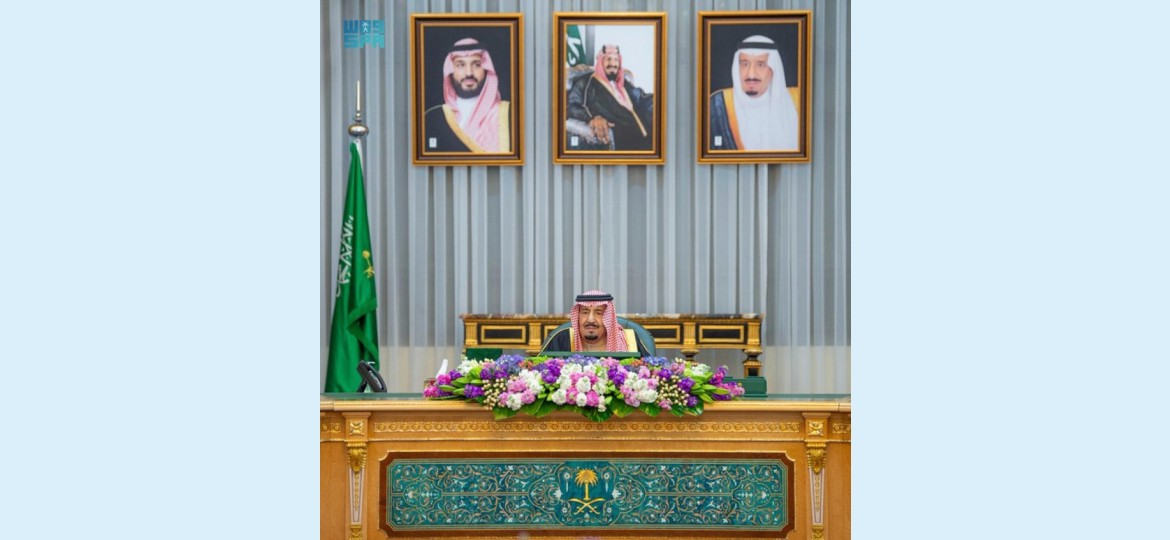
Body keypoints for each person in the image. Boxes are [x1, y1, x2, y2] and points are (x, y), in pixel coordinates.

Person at [708, 35, 799, 151]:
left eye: (760, 65)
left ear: (773, 69)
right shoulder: (717, 105)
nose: (751, 74)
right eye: (744, 64)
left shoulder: (797, 103)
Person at [424, 37, 511, 153]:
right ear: (451, 70)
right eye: (460, 65)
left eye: (476, 65)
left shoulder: (510, 114)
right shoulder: (432, 118)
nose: (469, 73)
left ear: (486, 69)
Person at [566, 44, 654, 151]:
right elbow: (572, 105)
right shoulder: (586, 82)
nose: (613, 64)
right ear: (600, 61)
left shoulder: (623, 84)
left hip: (644, 135)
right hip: (621, 139)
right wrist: (592, 118)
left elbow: (641, 98)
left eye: (616, 60)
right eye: (608, 59)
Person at [539, 290, 652, 356]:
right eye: (585, 312)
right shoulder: (561, 339)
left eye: (599, 313)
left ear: (609, 318)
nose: (590, 319)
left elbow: (649, 374)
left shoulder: (629, 340)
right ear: (577, 316)